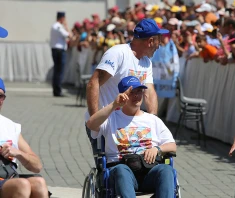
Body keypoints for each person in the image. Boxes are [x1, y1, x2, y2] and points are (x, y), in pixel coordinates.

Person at [85, 19, 169, 153]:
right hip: (107, 122)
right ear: (151, 41)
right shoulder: (118, 53)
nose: (159, 45)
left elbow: (149, 92)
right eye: (159, 40)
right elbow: (93, 83)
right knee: (110, 167)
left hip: (128, 125)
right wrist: (95, 119)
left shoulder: (146, 62)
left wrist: (153, 121)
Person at [86, 76, 177, 198]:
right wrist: (114, 105)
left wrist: (157, 149)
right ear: (123, 95)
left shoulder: (153, 120)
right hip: (120, 171)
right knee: (122, 170)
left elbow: (172, 146)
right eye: (131, 92)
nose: (136, 95)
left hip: (148, 170)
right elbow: (91, 124)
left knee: (166, 170)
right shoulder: (111, 118)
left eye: (139, 91)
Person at [0, 78, 49, 198]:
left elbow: (37, 166)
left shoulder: (10, 126)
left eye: (0, 96)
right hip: (11, 182)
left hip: (7, 178)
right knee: (22, 185)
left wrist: (18, 153)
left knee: (39, 183)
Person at [50, 11, 70, 97]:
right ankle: (58, 90)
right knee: (59, 71)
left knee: (57, 71)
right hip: (59, 50)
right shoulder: (58, 26)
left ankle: (56, 90)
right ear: (62, 18)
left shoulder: (54, 26)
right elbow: (67, 34)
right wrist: (66, 26)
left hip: (55, 49)